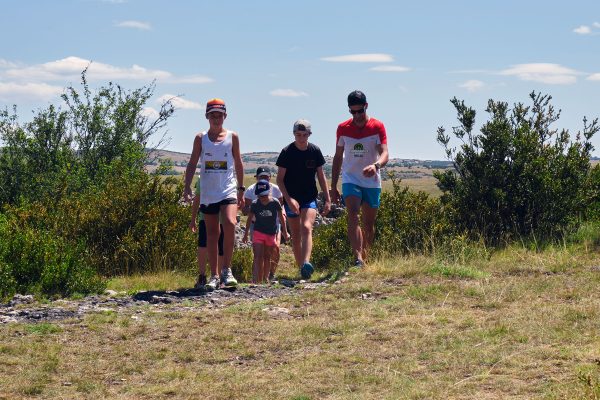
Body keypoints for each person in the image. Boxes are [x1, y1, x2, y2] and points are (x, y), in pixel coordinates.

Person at [183, 98, 245, 288]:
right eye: (213, 116)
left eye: (219, 115)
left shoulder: (232, 137)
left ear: (225, 116)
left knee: (229, 223)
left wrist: (241, 189)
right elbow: (193, 162)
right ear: (207, 117)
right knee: (212, 233)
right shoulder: (200, 138)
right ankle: (214, 275)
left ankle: (227, 270)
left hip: (227, 189)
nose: (216, 119)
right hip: (209, 192)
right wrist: (187, 186)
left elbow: (239, 162)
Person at [331, 90, 389, 267]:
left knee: (369, 223)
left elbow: (385, 153)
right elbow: (338, 156)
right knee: (353, 214)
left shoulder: (377, 126)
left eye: (359, 111)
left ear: (366, 106)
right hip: (351, 179)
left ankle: (366, 256)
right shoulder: (342, 128)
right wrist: (333, 186)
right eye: (352, 112)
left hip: (371, 181)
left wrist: (376, 166)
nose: (356, 115)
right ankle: (358, 258)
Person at [276, 119, 331, 280]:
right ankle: (302, 269)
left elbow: (321, 176)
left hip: (308, 197)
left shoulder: (315, 151)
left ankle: (306, 262)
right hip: (291, 198)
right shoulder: (287, 152)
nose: (301, 138)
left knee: (307, 227)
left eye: (304, 135)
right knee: (296, 234)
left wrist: (327, 199)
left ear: (309, 134)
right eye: (298, 135)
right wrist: (289, 199)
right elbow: (280, 180)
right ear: (294, 134)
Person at [243, 166, 285, 281]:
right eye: (261, 177)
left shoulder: (276, 190)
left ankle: (270, 274)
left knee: (274, 249)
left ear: (270, 177)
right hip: (256, 225)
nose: (264, 179)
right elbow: (246, 210)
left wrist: (283, 222)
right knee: (258, 254)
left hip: (273, 224)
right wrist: (251, 208)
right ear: (256, 177)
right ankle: (257, 279)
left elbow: (281, 208)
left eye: (266, 177)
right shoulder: (251, 191)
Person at [189, 178, 224, 290]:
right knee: (207, 245)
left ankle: (210, 277)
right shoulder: (202, 178)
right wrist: (193, 218)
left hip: (215, 217)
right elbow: (197, 198)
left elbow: (197, 199)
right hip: (212, 216)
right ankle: (208, 276)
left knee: (211, 245)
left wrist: (193, 218)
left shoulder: (202, 178)